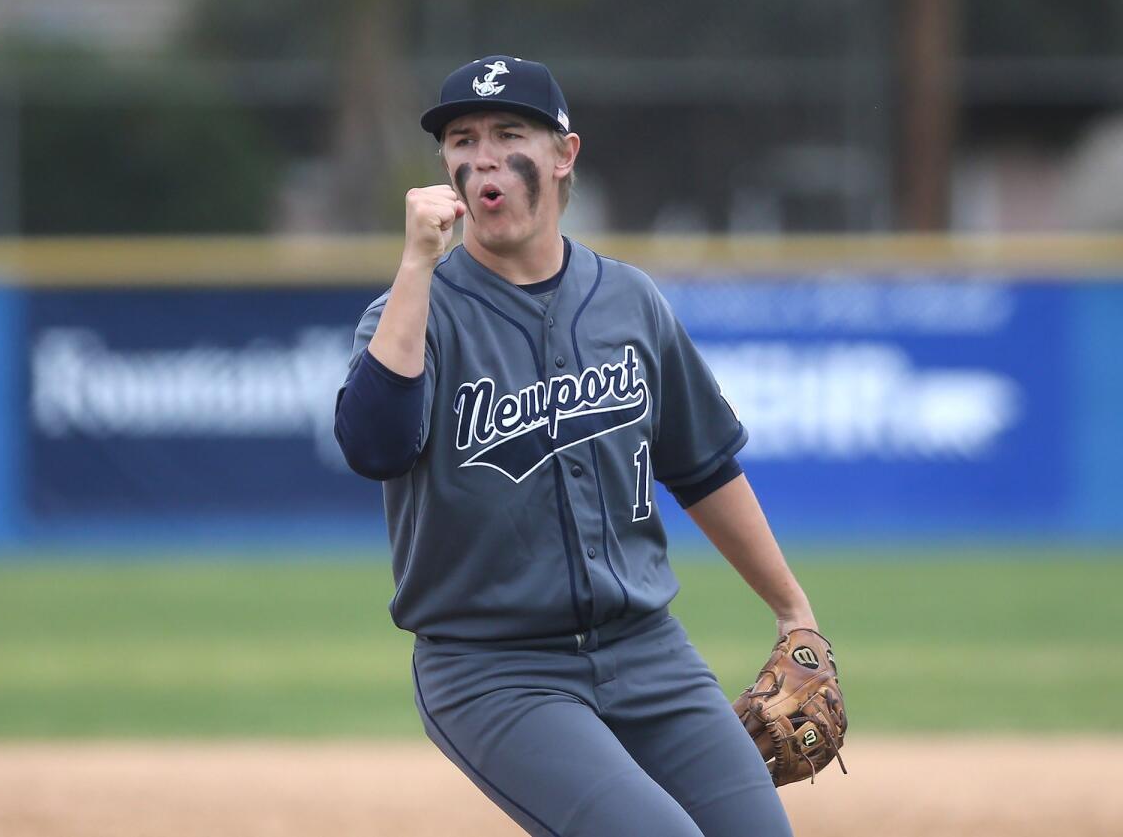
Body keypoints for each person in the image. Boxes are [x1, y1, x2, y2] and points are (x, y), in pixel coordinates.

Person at [335, 55, 818, 836]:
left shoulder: (629, 300)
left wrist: (793, 609)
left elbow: (702, 466)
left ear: (564, 156)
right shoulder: (412, 310)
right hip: (494, 671)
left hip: (647, 648)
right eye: (462, 139)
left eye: (508, 132)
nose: (482, 156)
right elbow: (374, 446)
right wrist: (415, 268)